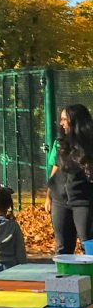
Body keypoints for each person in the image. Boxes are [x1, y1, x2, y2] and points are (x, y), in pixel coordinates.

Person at [44, 104, 93, 256]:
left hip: (83, 202)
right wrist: (49, 195)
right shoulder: (60, 144)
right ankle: (63, 278)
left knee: (88, 243)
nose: (61, 123)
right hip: (60, 201)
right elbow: (56, 168)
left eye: (65, 119)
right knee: (62, 247)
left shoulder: (89, 145)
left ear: (76, 121)